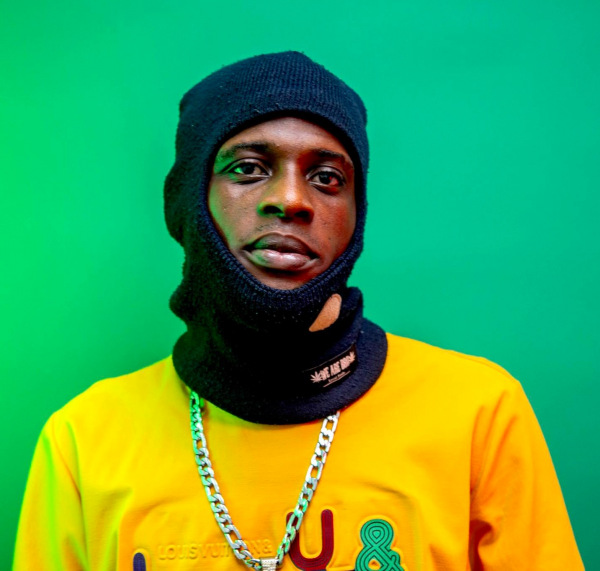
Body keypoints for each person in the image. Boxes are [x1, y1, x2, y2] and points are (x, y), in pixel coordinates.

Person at [13, 51, 583, 571]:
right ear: (189, 200)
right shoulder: (83, 441)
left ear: (356, 214)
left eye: (327, 178)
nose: (290, 199)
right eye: (247, 168)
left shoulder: (478, 414)